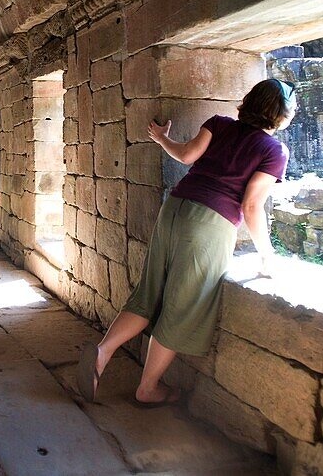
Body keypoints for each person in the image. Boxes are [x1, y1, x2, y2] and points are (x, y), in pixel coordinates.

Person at [77, 78, 296, 406]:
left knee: (147, 293)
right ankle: (147, 388)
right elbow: (251, 206)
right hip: (210, 225)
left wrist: (163, 138)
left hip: (175, 208)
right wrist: (267, 257)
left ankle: (103, 351)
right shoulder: (275, 151)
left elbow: (186, 155)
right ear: (280, 115)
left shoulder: (219, 124)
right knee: (182, 308)